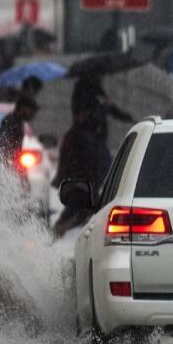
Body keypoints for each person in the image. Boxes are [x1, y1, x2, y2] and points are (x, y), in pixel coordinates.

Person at [52, 92, 106, 238]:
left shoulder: (78, 133)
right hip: (81, 182)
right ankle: (52, 237)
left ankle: (52, 237)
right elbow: (82, 161)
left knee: (79, 214)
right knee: (78, 214)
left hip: (81, 182)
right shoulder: (80, 135)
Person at [0, 91, 38, 167]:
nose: (33, 115)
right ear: (23, 108)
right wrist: (11, 159)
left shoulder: (17, 121)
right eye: (31, 111)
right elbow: (5, 143)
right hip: (8, 164)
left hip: (13, 163)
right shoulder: (11, 121)